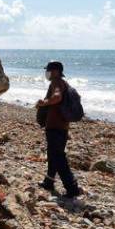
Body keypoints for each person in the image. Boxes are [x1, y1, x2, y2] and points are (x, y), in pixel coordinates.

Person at [35, 60, 81, 198]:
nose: (47, 73)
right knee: (53, 155)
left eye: (48, 70)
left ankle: (72, 188)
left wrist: (44, 103)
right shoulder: (63, 83)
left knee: (58, 157)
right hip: (61, 126)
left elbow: (57, 97)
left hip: (55, 126)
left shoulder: (57, 83)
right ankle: (49, 181)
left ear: (55, 71)